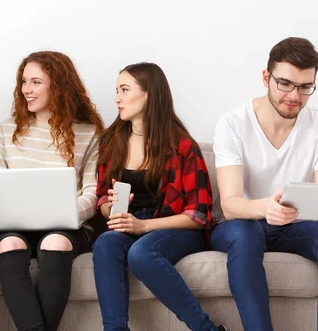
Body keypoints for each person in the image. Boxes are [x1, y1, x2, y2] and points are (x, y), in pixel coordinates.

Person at [211, 37, 318, 331]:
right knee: (244, 231)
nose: (294, 95)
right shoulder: (232, 124)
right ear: (266, 78)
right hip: (243, 223)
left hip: (295, 226)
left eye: (305, 87)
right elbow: (229, 205)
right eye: (285, 84)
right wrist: (265, 207)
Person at [92, 63, 226, 331]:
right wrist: (112, 208)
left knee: (142, 253)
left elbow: (199, 215)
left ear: (149, 94)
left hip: (173, 227)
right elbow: (101, 201)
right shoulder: (111, 141)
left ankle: (206, 329)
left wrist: (144, 226)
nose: (117, 98)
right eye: (117, 90)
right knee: (105, 244)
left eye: (125, 90)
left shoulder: (183, 147)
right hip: (130, 224)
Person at [0, 51, 104, 331]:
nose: (26, 89)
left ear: (59, 85)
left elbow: (92, 191)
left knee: (56, 242)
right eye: (24, 81)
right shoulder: (7, 129)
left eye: (36, 82)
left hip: (66, 226)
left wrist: (64, 212)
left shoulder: (89, 132)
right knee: (8, 244)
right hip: (12, 225)